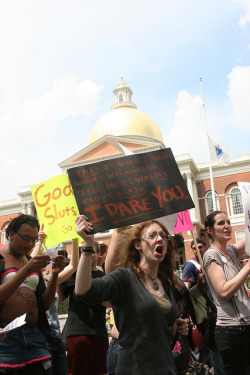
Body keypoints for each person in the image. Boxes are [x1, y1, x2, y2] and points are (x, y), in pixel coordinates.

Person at [75, 215, 189, 375]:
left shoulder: (165, 282)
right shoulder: (125, 277)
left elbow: (153, 327)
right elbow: (83, 291)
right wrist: (87, 245)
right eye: (152, 235)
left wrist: (173, 326)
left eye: (163, 236)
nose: (160, 239)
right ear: (138, 245)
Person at [0, 214, 65, 374]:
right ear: (11, 234)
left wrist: (55, 274)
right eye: (25, 238)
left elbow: (44, 304)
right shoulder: (2, 259)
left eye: (34, 239)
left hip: (35, 335)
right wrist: (26, 270)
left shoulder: (31, 262)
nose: (29, 244)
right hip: (6, 338)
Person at [203, 210, 250, 375]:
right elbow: (223, 291)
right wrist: (248, 267)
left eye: (228, 222)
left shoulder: (230, 251)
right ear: (210, 230)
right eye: (221, 223)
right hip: (230, 331)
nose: (227, 226)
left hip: (246, 326)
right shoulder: (210, 255)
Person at [31, 230, 79, 375]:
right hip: (40, 337)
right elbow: (28, 261)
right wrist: (39, 241)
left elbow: (73, 266)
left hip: (56, 338)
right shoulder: (28, 281)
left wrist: (75, 239)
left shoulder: (49, 279)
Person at [60, 240, 109, 375]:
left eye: (90, 251)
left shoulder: (104, 277)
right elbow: (61, 299)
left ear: (99, 254)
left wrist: (91, 293)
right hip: (77, 332)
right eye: (82, 250)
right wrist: (56, 276)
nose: (85, 253)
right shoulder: (72, 274)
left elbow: (109, 302)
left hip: (99, 332)